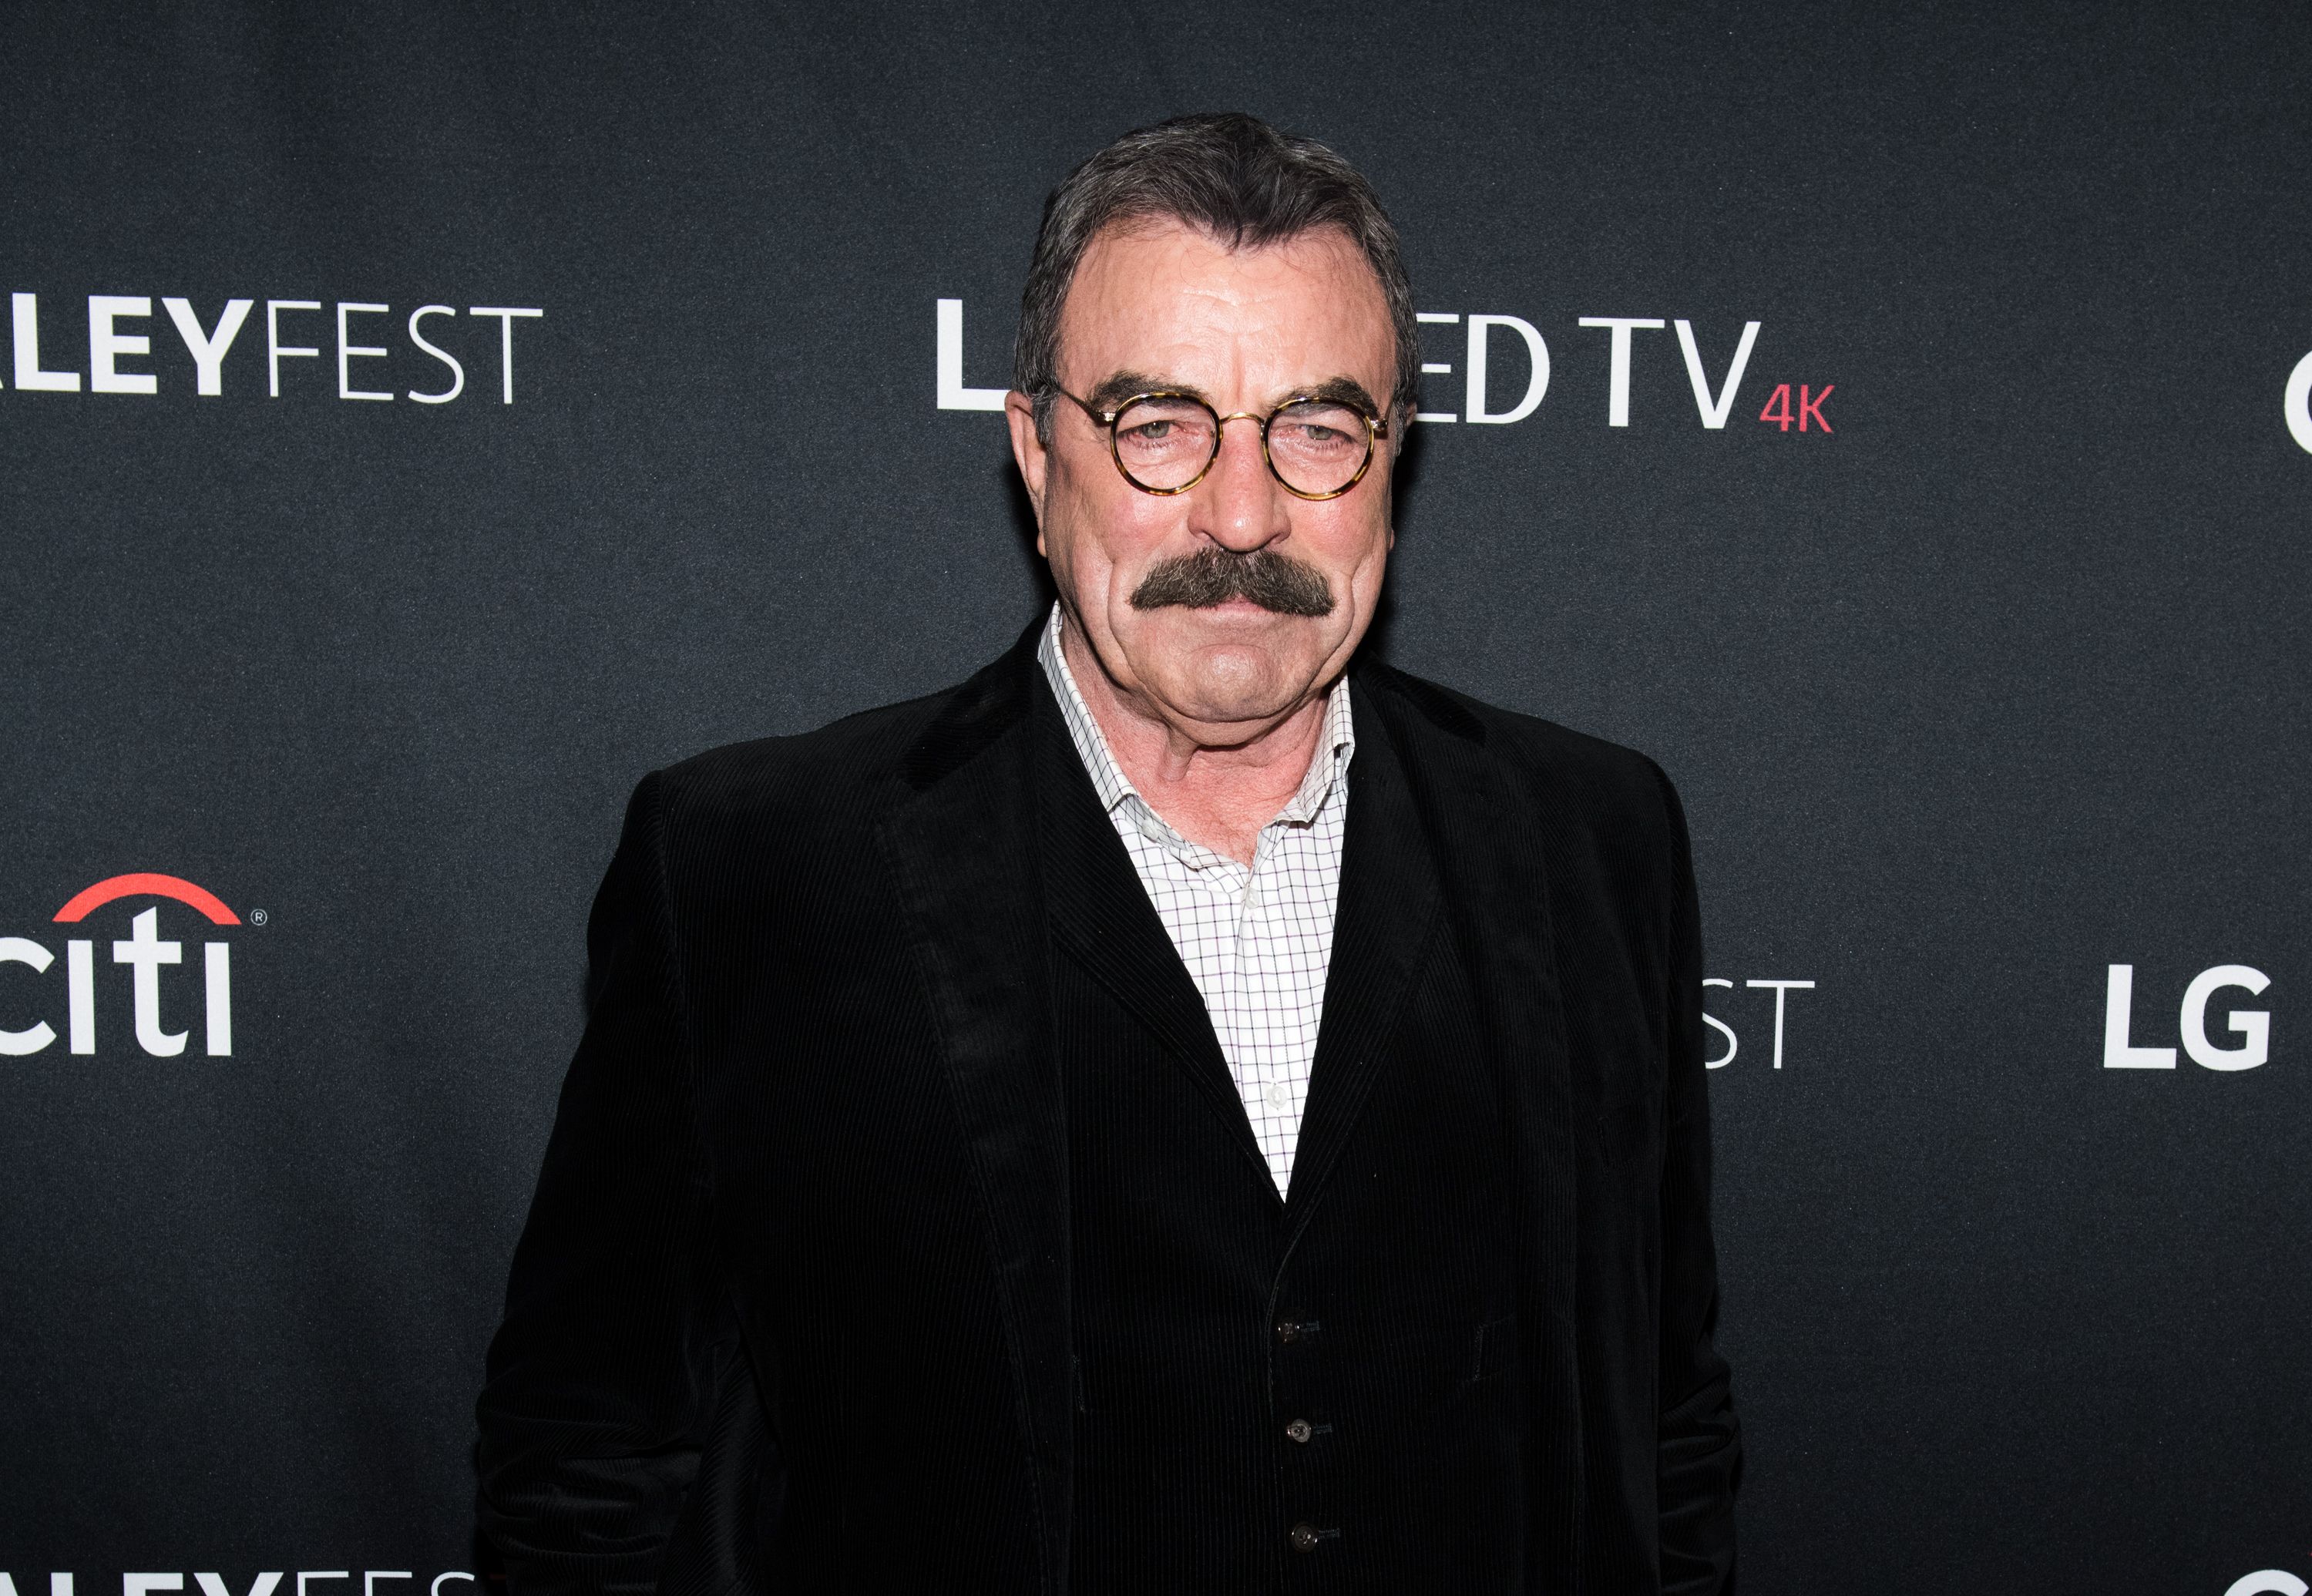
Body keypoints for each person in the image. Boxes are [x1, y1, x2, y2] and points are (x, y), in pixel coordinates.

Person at [477, 112, 1739, 1595]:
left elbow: (1667, 1422)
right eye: (1160, 424)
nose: (1243, 512)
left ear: (1395, 461)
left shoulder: (1594, 841)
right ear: (1035, 450)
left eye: (1320, 431)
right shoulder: (756, 869)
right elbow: (590, 1459)